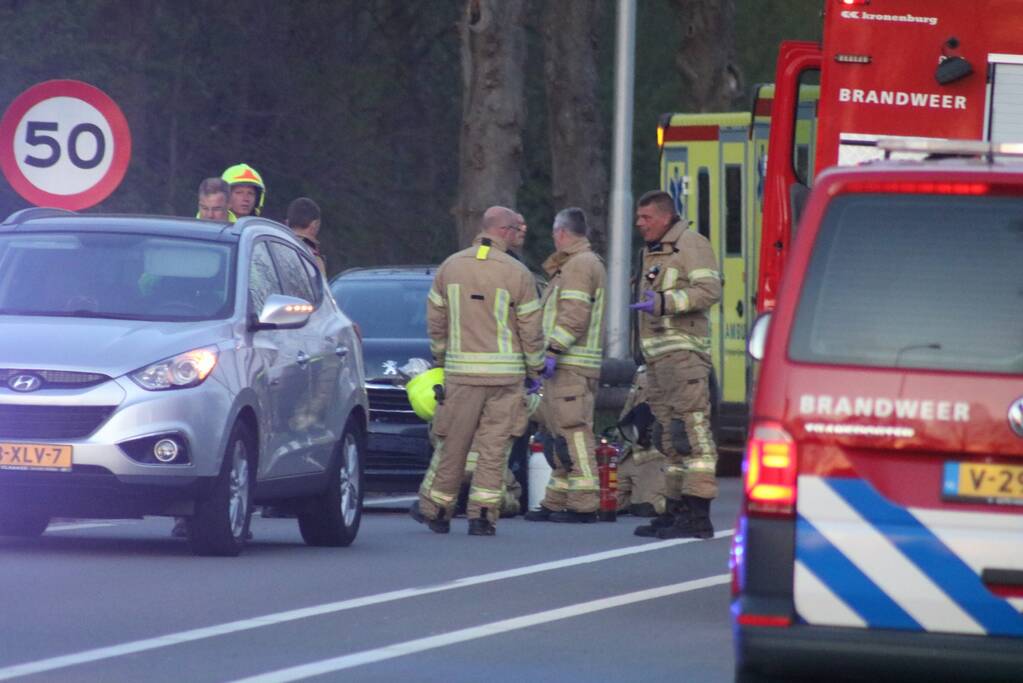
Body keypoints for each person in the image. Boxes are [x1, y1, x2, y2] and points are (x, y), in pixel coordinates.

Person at [410, 206, 545, 536]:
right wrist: (536, 367)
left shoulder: (450, 267)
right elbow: (531, 328)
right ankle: (483, 515)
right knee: (493, 448)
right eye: (516, 229)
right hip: (505, 378)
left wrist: (442, 359)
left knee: (452, 443)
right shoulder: (517, 273)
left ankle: (438, 510)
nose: (519, 235)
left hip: (460, 376)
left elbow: (436, 323)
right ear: (503, 231)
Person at [628, 190, 721, 540]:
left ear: (666, 217)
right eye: (638, 218)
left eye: (646, 218)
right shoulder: (654, 251)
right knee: (667, 436)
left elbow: (709, 291)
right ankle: (675, 510)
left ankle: (698, 515)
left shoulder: (691, 244)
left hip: (683, 355)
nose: (639, 224)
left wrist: (666, 302)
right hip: (657, 358)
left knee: (691, 431)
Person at [523, 208, 606, 523]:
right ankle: (556, 500)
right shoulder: (576, 265)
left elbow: (573, 315)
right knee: (557, 432)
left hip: (571, 366)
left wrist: (553, 350)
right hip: (568, 367)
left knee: (573, 432)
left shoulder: (578, 266)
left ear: (560, 233)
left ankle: (584, 504)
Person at [614, 365, 666, 517]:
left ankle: (679, 500)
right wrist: (622, 429)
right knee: (607, 503)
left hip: (653, 455)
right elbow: (630, 404)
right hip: (630, 452)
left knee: (647, 507)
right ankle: (635, 494)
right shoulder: (642, 371)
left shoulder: (675, 369)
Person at [286, 197, 326, 275]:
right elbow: (320, 287)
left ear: (287, 222)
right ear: (315, 224)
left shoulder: (272, 245)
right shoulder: (313, 259)